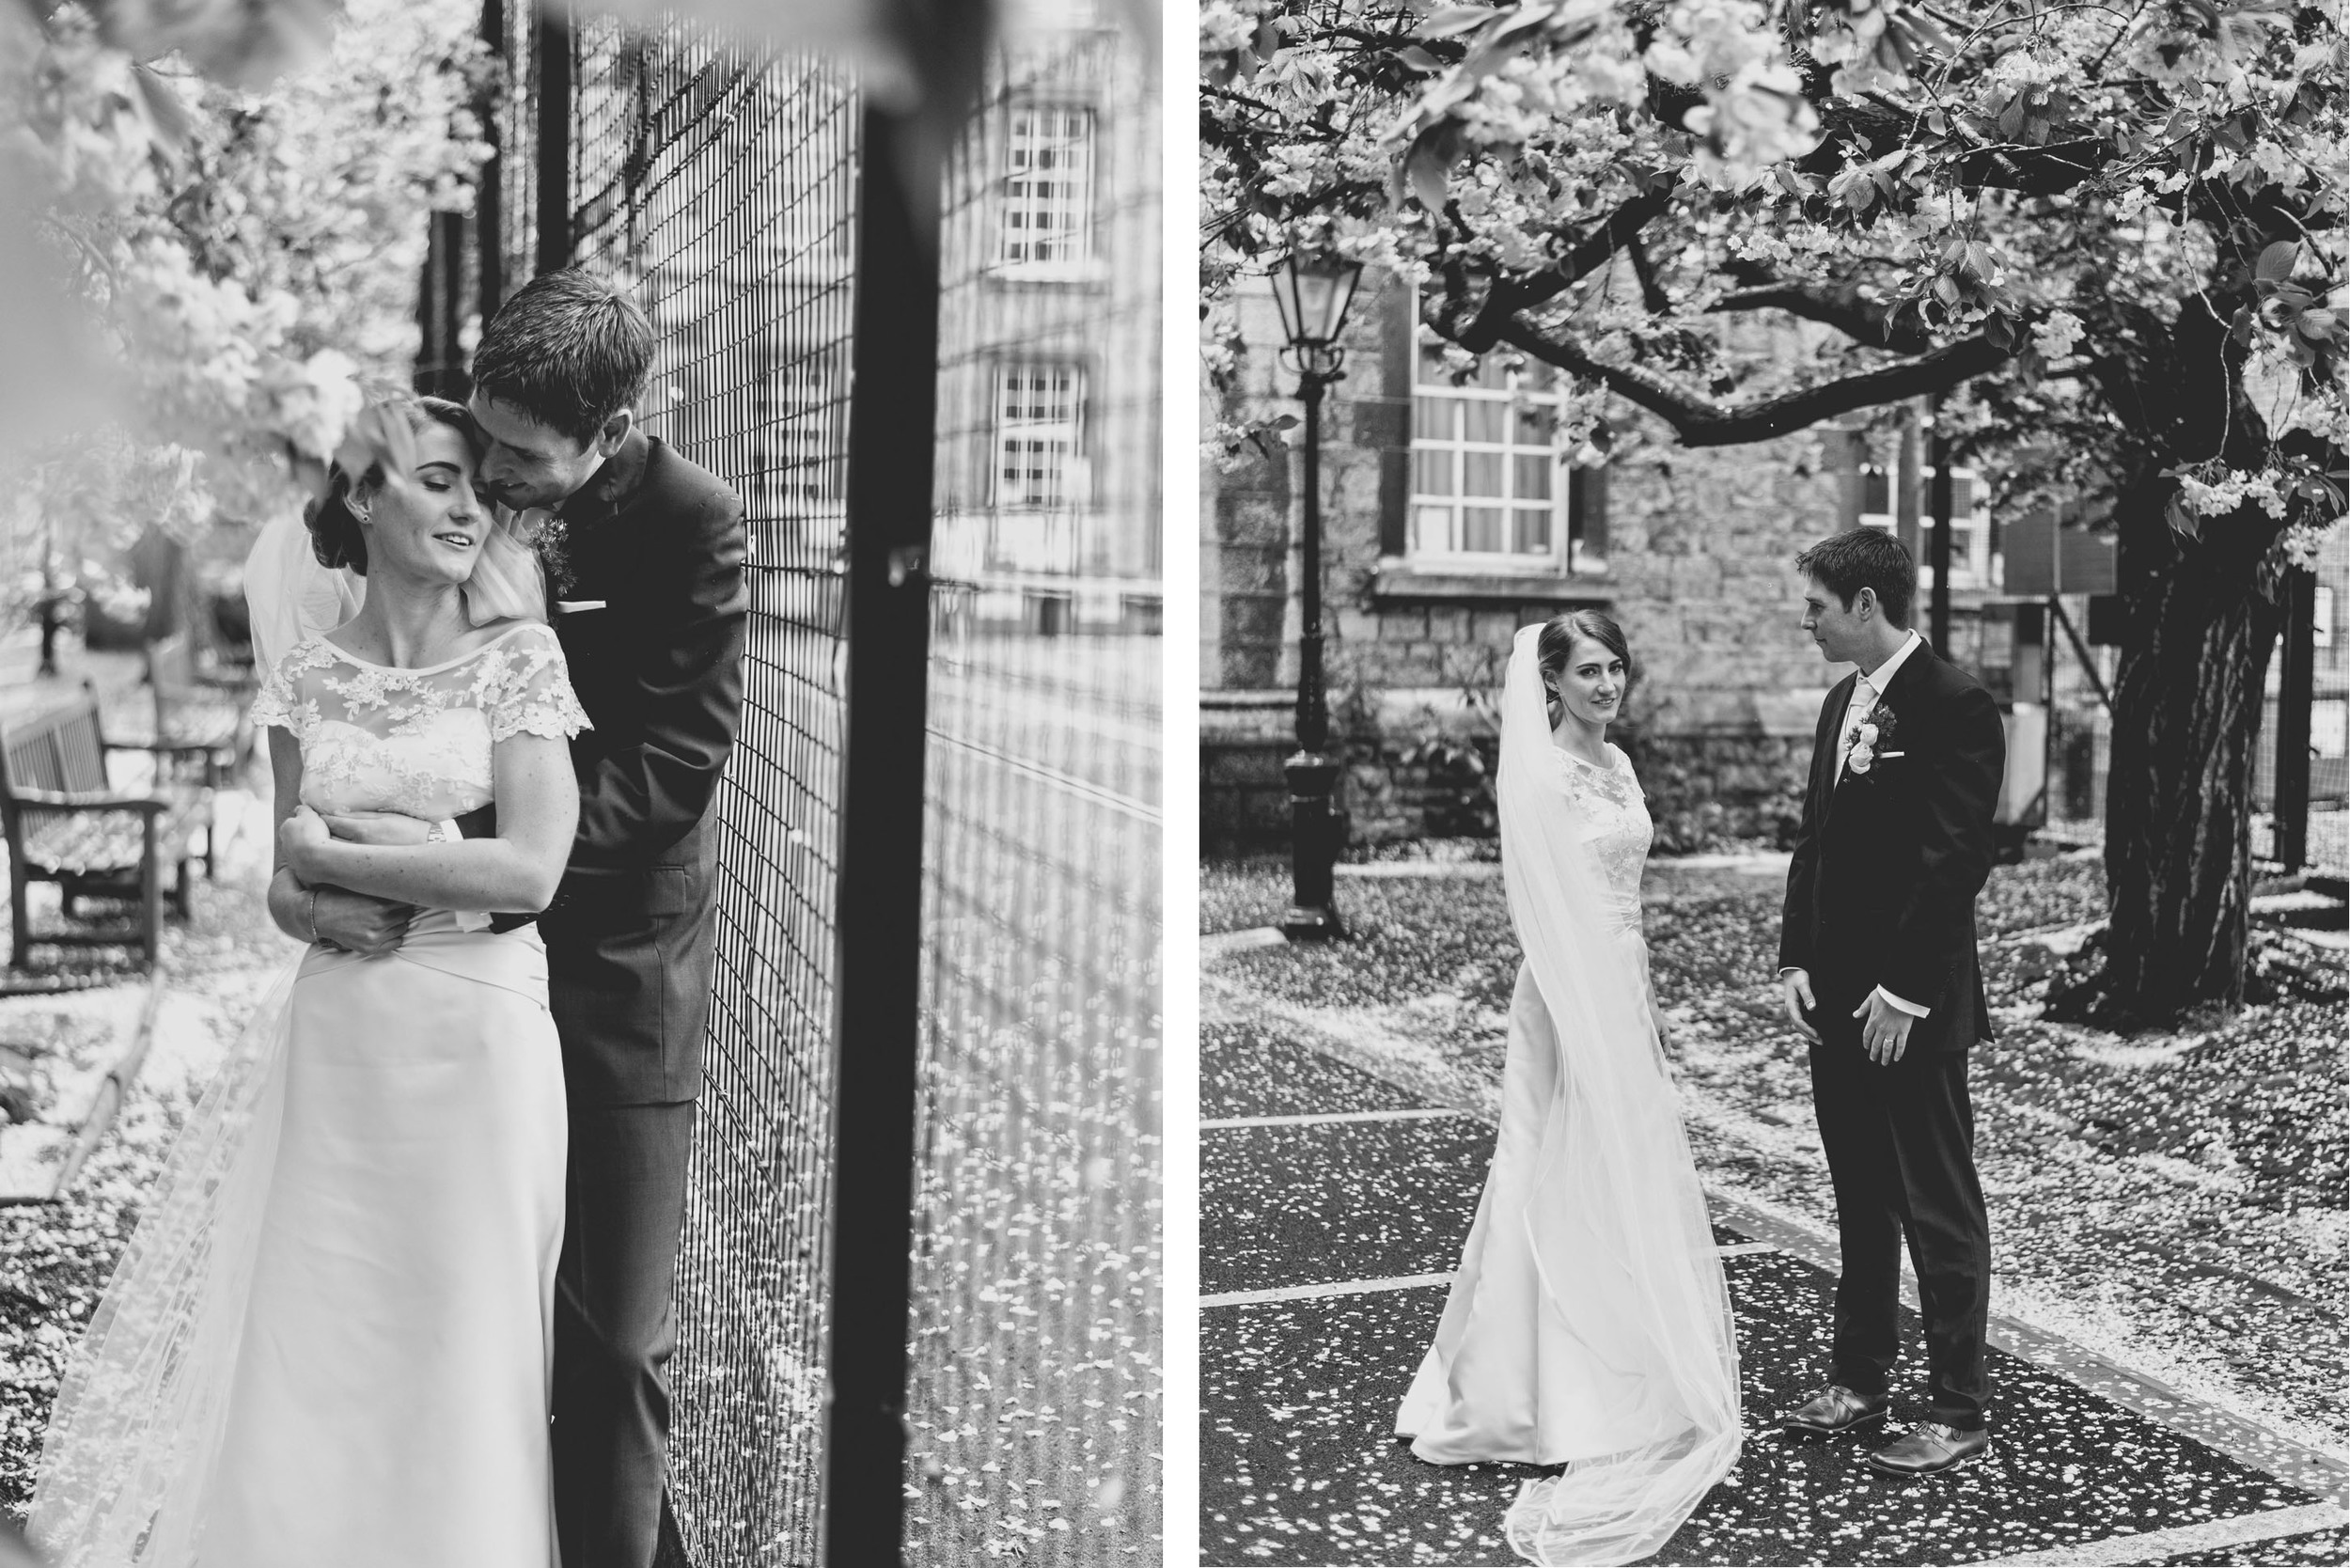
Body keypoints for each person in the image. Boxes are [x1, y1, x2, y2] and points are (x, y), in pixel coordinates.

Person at [29, 391, 588, 1564]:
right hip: (341, 1034)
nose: (470, 502)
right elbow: (287, 890)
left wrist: (345, 855)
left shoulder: (519, 658)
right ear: (363, 494)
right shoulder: (309, 676)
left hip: (478, 1034)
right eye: (439, 478)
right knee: (316, 1332)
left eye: (478, 486)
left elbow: (532, 866)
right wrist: (324, 894)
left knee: (465, 1342)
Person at [466, 268, 747, 1568]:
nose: (491, 477)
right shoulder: (454, 474)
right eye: (484, 440)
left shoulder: (696, 522)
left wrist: (505, 858)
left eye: (522, 458)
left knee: (622, 1337)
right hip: (464, 963)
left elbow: (675, 770)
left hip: (624, 964)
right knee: (495, 1316)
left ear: (614, 437)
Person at [1396, 613, 1741, 1566]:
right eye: (1588, 670)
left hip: (1622, 986)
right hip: (1562, 990)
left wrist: (1635, 1001)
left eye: (1615, 667)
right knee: (1545, 1167)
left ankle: (1628, 1357)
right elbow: (1542, 903)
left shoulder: (1620, 763)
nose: (1606, 683)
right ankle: (1521, 1390)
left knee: (1622, 1171)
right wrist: (1584, 1005)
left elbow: (1626, 893)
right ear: (1550, 681)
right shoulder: (1539, 773)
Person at [1776, 527, 2005, 1476]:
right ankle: (1858, 1376)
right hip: (1834, 1001)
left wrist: (1905, 992)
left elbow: (1956, 859)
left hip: (1908, 1005)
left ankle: (1956, 1405)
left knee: (1936, 1205)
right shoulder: (1841, 702)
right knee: (1860, 1200)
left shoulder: (1955, 703)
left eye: (1817, 607)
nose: (1807, 621)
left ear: (1865, 604)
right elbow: (1813, 841)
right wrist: (1795, 960)